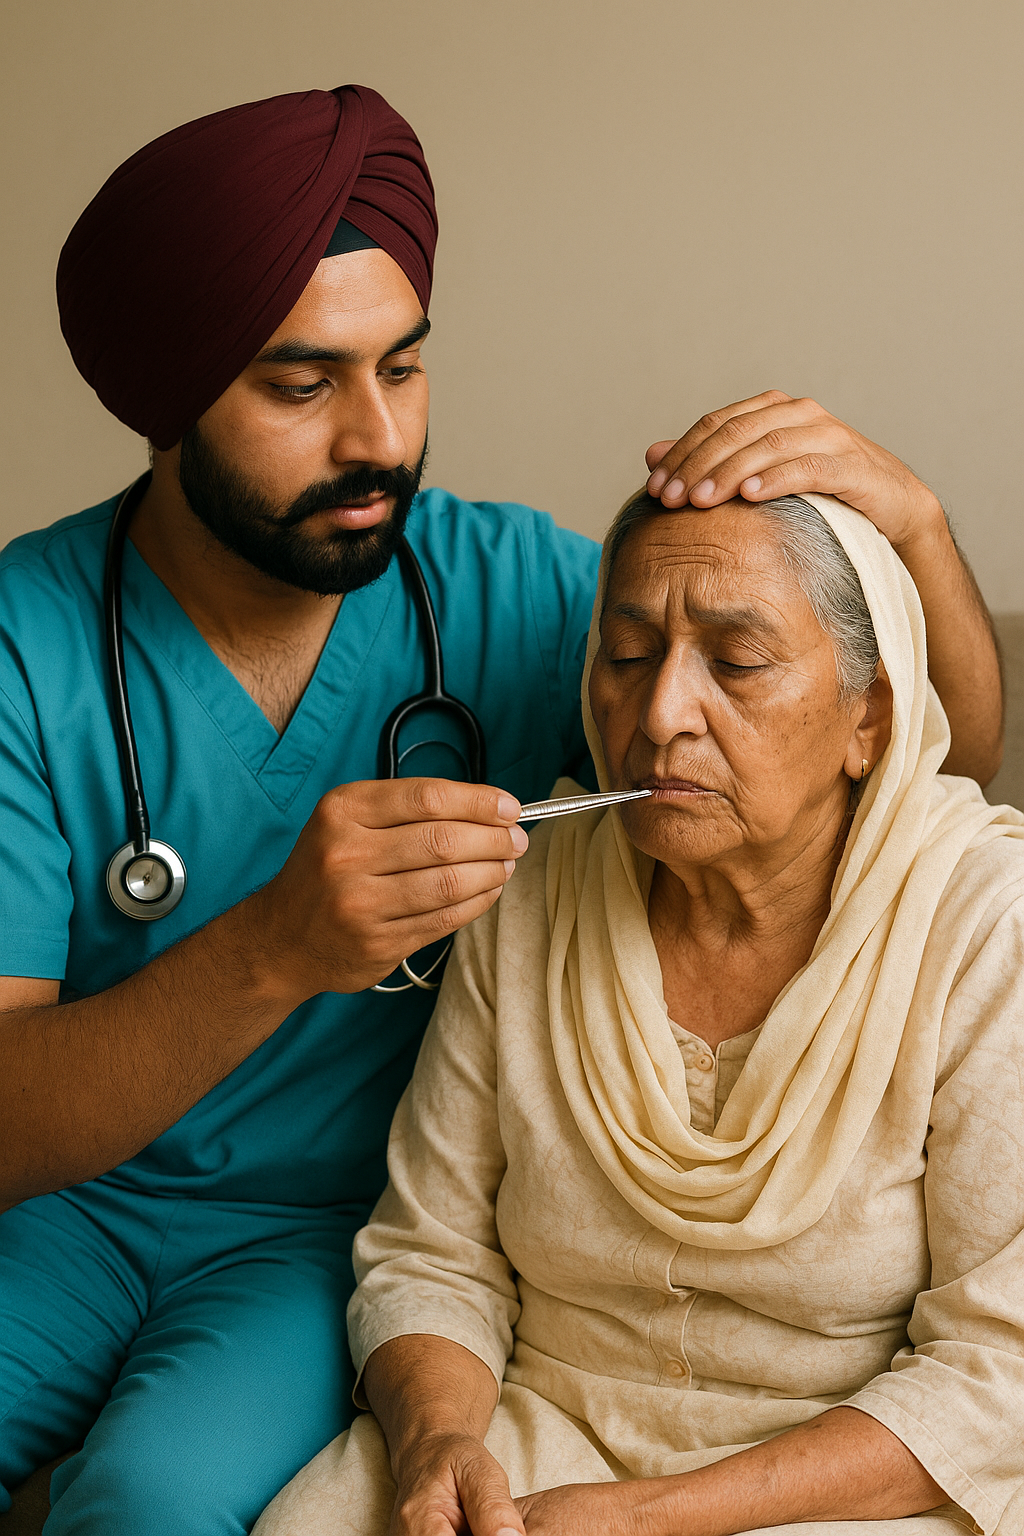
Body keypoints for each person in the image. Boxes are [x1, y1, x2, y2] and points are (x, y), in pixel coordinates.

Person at [0, 81, 1003, 1534]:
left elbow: (914, 755)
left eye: (403, 368)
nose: (378, 440)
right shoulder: (28, 647)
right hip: (60, 1214)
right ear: (167, 399)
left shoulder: (522, 597)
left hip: (314, 1244)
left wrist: (908, 521)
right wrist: (276, 945)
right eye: (301, 385)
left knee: (146, 1505)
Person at [254, 488, 1024, 1536]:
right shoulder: (536, 892)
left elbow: (998, 1368)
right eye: (625, 655)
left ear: (868, 717)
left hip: (854, 1476)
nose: (658, 715)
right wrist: (440, 1446)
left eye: (736, 662)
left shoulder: (984, 924)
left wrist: (642, 1518)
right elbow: (435, 1253)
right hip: (540, 1430)